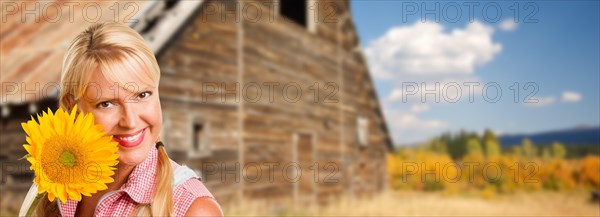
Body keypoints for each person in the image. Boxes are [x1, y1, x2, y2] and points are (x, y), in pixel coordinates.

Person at [34, 22, 223, 216]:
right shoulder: (56, 182)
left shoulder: (193, 209)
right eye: (107, 104)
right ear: (73, 107)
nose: (130, 122)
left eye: (142, 95)